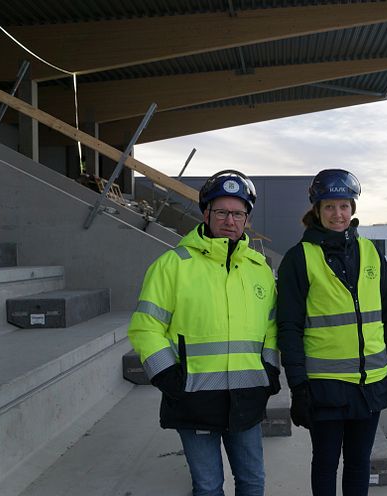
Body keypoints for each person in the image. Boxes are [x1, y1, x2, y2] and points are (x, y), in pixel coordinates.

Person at [128, 170, 280, 496]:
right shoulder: (173, 265)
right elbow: (146, 326)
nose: (230, 220)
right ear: (206, 213)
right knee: (208, 487)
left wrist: (270, 369)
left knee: (253, 483)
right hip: (193, 398)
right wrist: (168, 374)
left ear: (247, 219)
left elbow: (271, 327)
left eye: (238, 213)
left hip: (247, 398)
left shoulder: (260, 270)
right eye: (222, 211)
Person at [276, 169, 387, 496]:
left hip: (372, 385)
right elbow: (289, 328)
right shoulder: (299, 259)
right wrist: (298, 387)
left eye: (344, 206)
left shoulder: (371, 254)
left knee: (359, 462)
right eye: (329, 207)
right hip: (325, 388)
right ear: (316, 211)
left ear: (353, 209)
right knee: (324, 463)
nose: (338, 214)